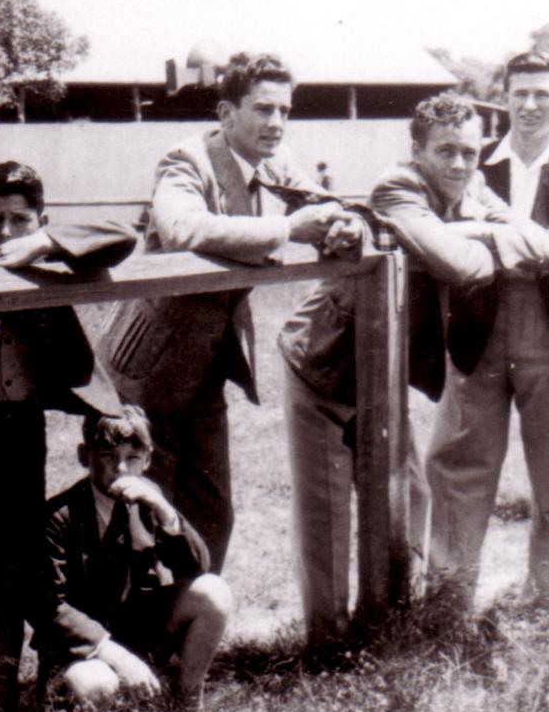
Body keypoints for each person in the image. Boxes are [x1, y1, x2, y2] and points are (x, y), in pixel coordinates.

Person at [278, 93, 549, 653]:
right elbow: (463, 266)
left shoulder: (471, 185)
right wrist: (487, 236)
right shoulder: (396, 189)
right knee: (329, 516)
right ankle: (329, 649)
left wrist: (481, 228)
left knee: (405, 497)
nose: (459, 164)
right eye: (446, 152)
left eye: (469, 153)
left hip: (383, 368)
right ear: (417, 150)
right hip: (324, 364)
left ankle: (390, 628)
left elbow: (545, 248)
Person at [98, 52, 364, 569]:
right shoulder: (187, 159)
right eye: (264, 109)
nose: (277, 123)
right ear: (225, 113)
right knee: (143, 515)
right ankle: (132, 646)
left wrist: (345, 222)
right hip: (147, 369)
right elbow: (183, 230)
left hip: (208, 368)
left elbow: (323, 204)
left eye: (285, 111)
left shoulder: (273, 161)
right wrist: (289, 230)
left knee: (212, 513)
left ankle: (191, 636)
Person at [0, 161, 134, 712]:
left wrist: (41, 246)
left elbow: (123, 237)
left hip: (20, 436)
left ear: (41, 221)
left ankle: (2, 703)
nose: (5, 232)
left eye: (20, 219)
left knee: (11, 574)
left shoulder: (48, 262)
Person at [425, 52, 549, 607]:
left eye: (543, 95)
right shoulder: (474, 162)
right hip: (478, 321)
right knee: (460, 461)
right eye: (520, 94)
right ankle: (449, 599)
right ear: (504, 97)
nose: (530, 106)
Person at [30, 406, 232, 712]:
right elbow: (50, 609)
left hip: (136, 627)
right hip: (82, 648)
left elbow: (198, 568)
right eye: (108, 456)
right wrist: (116, 657)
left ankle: (184, 705)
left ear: (148, 460)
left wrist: (165, 512)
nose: (121, 469)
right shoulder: (59, 517)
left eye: (133, 458)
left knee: (213, 592)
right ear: (85, 456)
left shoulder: (146, 501)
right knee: (95, 685)